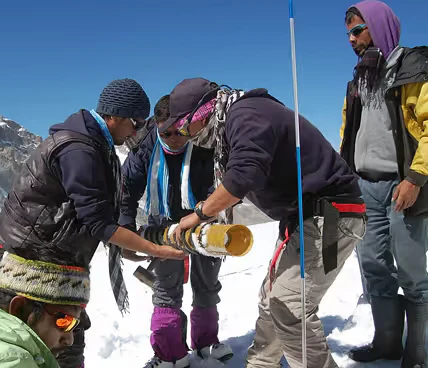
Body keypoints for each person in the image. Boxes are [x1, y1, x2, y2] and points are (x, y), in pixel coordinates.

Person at [164, 78, 366, 367]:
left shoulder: (246, 115)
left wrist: (198, 215)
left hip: (330, 216)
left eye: (184, 126)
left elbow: (243, 176)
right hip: (304, 218)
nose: (184, 135)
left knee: (289, 308)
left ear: (202, 113)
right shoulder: (236, 118)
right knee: (272, 301)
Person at [0, 78, 185, 368]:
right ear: (115, 115)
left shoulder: (93, 143)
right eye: (135, 122)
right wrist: (155, 249)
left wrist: (124, 246)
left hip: (53, 256)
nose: (136, 131)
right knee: (33, 345)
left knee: (63, 339)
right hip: (34, 263)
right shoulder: (79, 150)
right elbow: (98, 222)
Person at [339, 1, 428, 366]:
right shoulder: (360, 79)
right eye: (348, 34)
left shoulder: (413, 70)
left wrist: (414, 178)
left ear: (379, 27)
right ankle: (387, 343)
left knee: (410, 270)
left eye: (358, 30)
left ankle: (418, 352)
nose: (351, 39)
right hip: (365, 188)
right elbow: (349, 132)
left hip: (402, 187)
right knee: (374, 267)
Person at [120, 95, 234, 367]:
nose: (174, 138)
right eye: (165, 133)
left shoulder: (203, 139)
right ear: (156, 127)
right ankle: (170, 353)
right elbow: (126, 190)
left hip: (205, 221)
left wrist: (203, 216)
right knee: (166, 288)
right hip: (164, 225)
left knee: (207, 283)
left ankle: (206, 343)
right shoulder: (146, 147)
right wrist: (125, 231)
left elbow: (220, 181)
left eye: (179, 131)